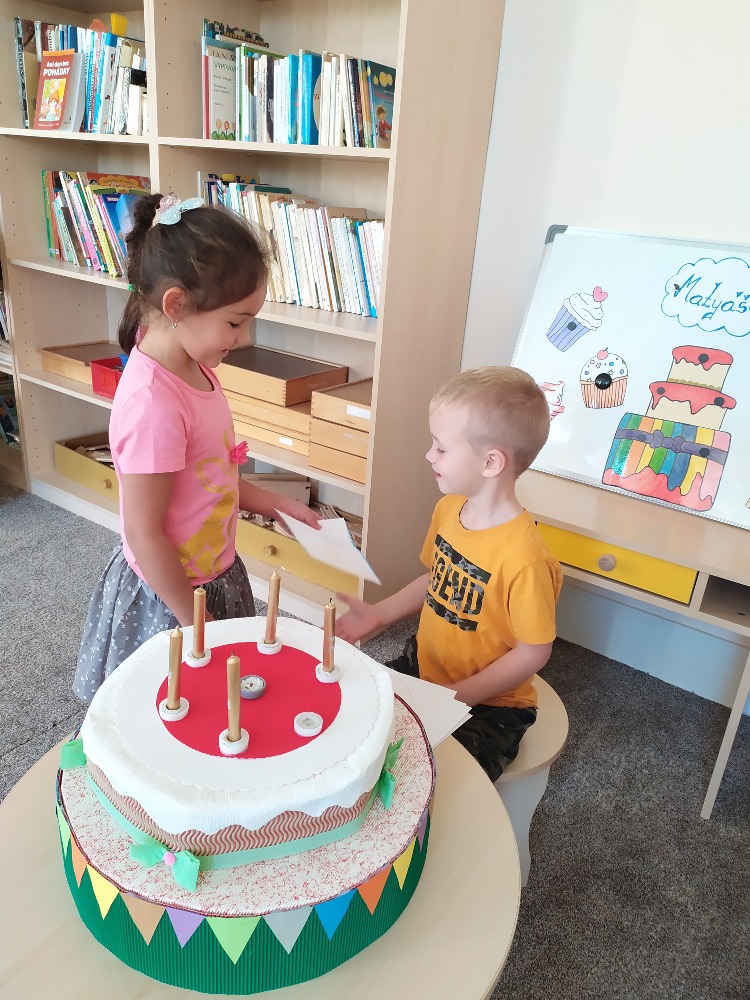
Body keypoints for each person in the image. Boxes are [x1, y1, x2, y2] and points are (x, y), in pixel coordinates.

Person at [74, 193, 320, 702]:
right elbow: (144, 534)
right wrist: (196, 625)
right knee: (168, 709)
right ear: (176, 305)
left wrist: (278, 504)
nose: (244, 337)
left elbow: (212, 477)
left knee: (219, 707)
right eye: (235, 321)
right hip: (171, 598)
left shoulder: (196, 367)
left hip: (215, 576)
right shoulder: (152, 404)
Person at [336, 366, 563, 782]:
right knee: (357, 730)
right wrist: (379, 614)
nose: (429, 455)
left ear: (491, 462)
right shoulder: (449, 508)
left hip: (492, 706)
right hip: (425, 667)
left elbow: (533, 652)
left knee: (430, 779)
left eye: (441, 448)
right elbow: (435, 580)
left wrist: (459, 696)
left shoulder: (526, 560)